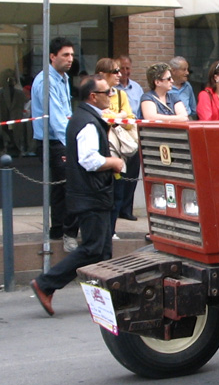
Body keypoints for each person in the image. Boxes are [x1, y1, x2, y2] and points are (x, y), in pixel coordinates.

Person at [30, 75, 126, 316]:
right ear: (93, 96)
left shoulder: (86, 118)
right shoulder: (88, 122)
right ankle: (46, 283)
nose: (111, 96)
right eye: (107, 93)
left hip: (93, 194)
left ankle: (102, 298)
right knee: (93, 248)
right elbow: (89, 159)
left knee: (102, 250)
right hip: (91, 194)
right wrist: (114, 161)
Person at [31, 38, 79, 244]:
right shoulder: (46, 81)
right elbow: (57, 117)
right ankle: (67, 233)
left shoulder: (64, 77)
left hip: (61, 139)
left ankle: (60, 231)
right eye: (65, 55)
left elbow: (65, 113)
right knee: (68, 186)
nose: (70, 59)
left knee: (62, 188)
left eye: (72, 55)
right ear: (52, 57)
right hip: (53, 141)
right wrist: (72, 144)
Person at [94, 58, 138, 240]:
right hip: (101, 151)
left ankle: (111, 230)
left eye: (120, 71)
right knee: (103, 195)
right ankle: (100, 231)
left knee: (118, 192)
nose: (120, 75)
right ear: (103, 75)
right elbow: (102, 117)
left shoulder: (121, 96)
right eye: (115, 72)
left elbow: (130, 120)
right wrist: (119, 116)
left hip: (118, 152)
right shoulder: (96, 93)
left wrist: (117, 117)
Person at [114, 56, 142, 226]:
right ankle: (116, 208)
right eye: (122, 68)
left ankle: (127, 209)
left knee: (132, 173)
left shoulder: (137, 88)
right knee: (120, 173)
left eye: (127, 68)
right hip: (117, 136)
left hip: (132, 136)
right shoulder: (112, 89)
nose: (125, 72)